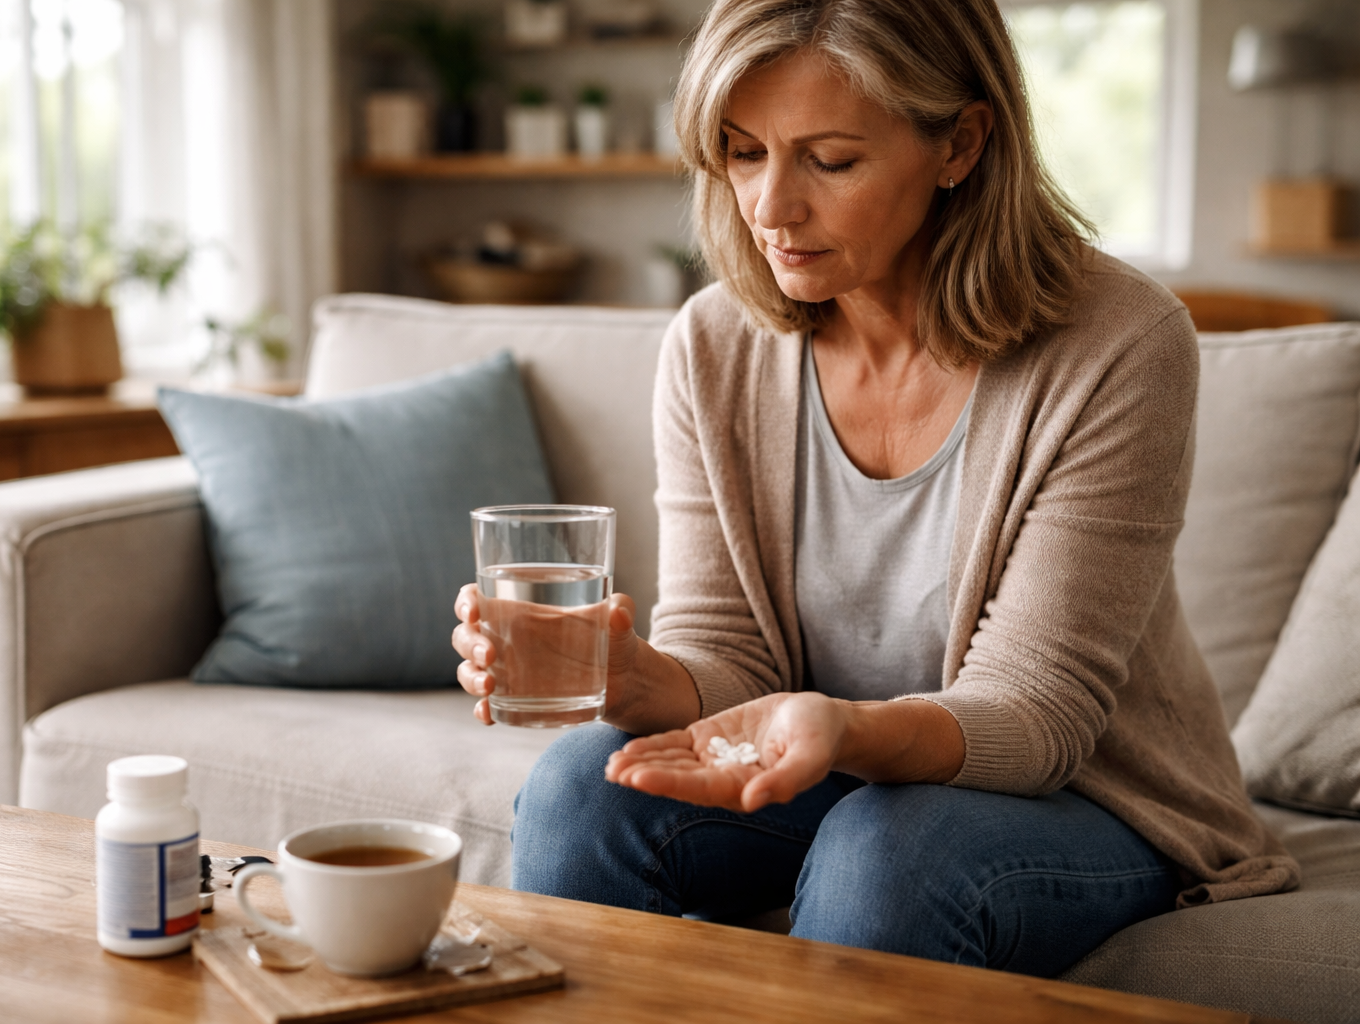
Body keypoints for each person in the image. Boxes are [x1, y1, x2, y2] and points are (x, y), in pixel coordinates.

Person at [451, 0, 1299, 978]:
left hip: (1085, 795)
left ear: (961, 143)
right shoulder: (713, 344)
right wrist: (632, 677)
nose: (769, 206)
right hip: (825, 764)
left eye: (830, 161)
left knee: (887, 848)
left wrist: (846, 729)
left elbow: (1038, 716)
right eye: (741, 152)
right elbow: (729, 654)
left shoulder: (1120, 342)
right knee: (576, 787)